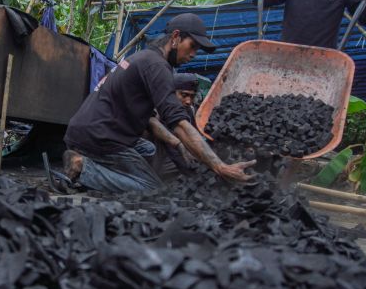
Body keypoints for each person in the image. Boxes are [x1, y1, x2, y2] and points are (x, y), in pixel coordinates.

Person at [62, 13, 255, 193]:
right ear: (176, 37)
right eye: (193, 46)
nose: (194, 54)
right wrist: (220, 167)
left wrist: (178, 144)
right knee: (151, 188)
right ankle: (83, 166)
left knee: (150, 149)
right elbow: (178, 123)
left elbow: (151, 120)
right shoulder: (157, 66)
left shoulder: (145, 58)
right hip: (99, 137)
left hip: (87, 130)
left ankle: (100, 164)